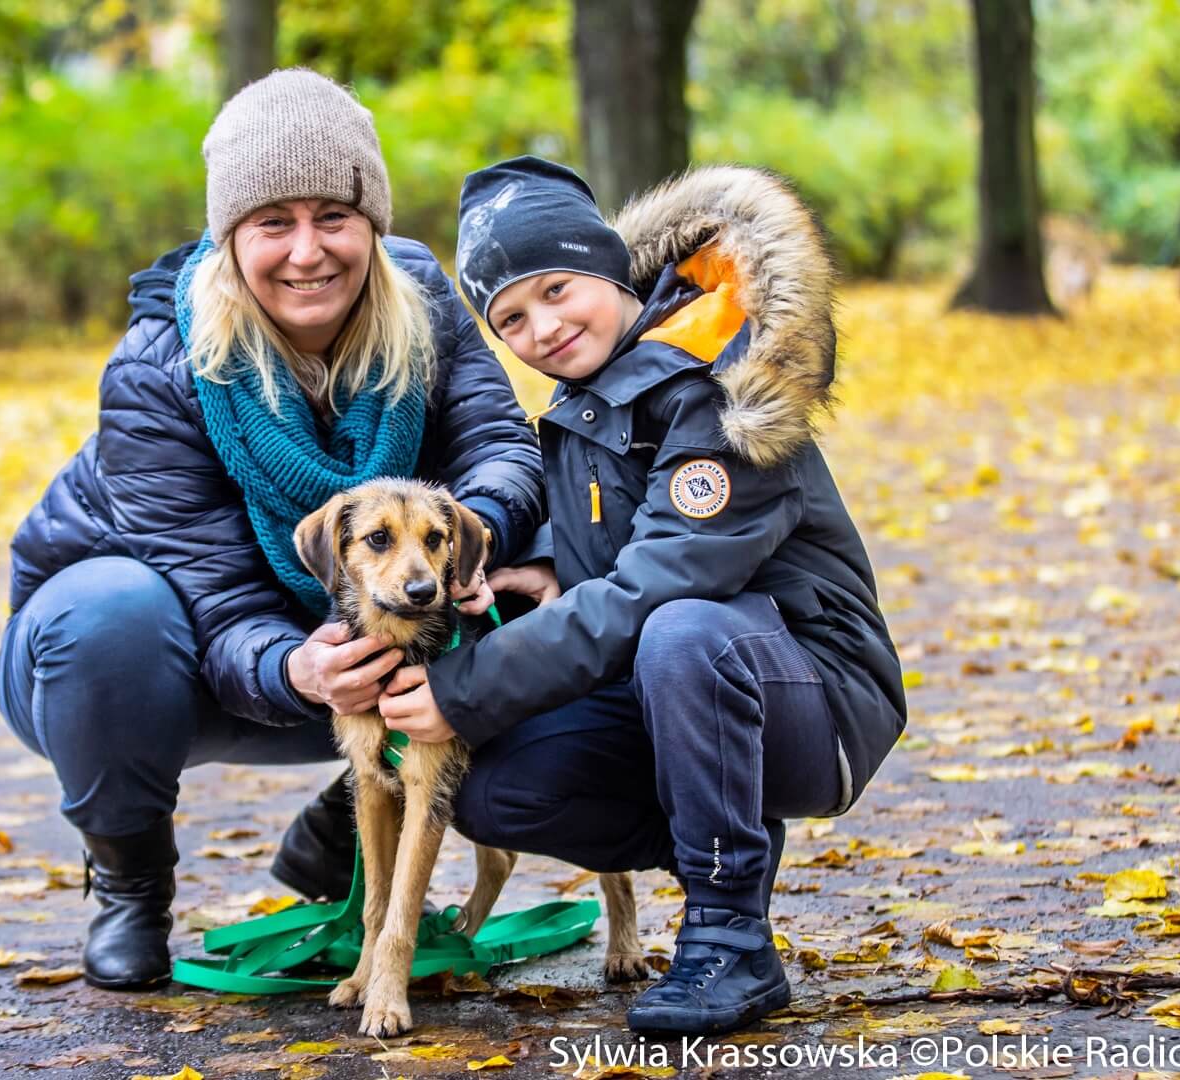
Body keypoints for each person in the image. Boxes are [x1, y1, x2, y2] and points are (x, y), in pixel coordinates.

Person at [0, 70, 545, 991]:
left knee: (528, 580)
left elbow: (498, 445)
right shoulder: (161, 365)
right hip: (130, 673)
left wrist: (473, 538)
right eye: (272, 223)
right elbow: (213, 599)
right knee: (110, 611)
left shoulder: (419, 299)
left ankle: (349, 817)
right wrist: (294, 668)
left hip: (347, 643)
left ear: (372, 224)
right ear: (230, 236)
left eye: (334, 216)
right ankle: (131, 883)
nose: (307, 251)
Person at [377, 157, 906, 1036]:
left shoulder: (722, 384)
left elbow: (664, 578)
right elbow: (622, 531)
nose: (543, 327)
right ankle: (721, 839)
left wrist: (464, 689)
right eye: (511, 318)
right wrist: (546, 560)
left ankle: (731, 939)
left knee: (684, 633)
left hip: (817, 695)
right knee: (493, 790)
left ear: (610, 269)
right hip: (689, 703)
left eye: (557, 290)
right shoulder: (591, 397)